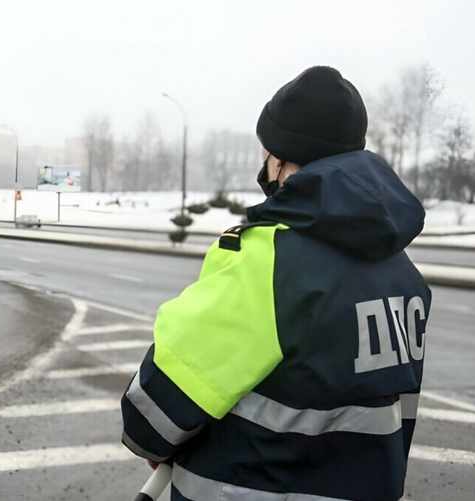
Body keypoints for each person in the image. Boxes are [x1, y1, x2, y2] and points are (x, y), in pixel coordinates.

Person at [121, 66, 431, 501]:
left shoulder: (269, 262)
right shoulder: (404, 274)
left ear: (283, 159)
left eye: (266, 153)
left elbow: (150, 418)